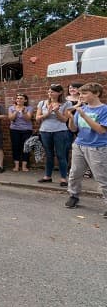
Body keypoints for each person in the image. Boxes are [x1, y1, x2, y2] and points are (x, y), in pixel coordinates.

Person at [64, 82, 107, 214]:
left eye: (84, 93)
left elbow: (101, 130)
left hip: (98, 148)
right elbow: (73, 129)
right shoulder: (82, 108)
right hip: (79, 145)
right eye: (80, 93)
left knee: (102, 177)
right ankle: (73, 196)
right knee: (75, 173)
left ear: (96, 94)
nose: (80, 96)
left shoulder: (104, 109)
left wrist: (84, 115)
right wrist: (71, 118)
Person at [36, 84, 72, 186]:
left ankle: (63, 178)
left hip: (60, 131)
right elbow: (37, 118)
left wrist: (56, 112)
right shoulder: (42, 103)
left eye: (52, 91)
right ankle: (47, 176)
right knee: (49, 155)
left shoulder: (67, 103)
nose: (50, 93)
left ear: (60, 92)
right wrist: (47, 113)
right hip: (45, 131)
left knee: (61, 155)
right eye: (49, 91)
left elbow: (64, 119)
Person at [8, 93, 34, 172]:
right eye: (18, 98)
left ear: (25, 100)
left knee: (26, 148)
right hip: (14, 130)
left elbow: (28, 119)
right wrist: (16, 111)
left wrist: (23, 112)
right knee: (15, 147)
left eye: (21, 98)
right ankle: (16, 166)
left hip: (26, 130)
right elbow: (11, 118)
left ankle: (24, 166)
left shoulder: (29, 108)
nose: (19, 100)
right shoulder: (11, 108)